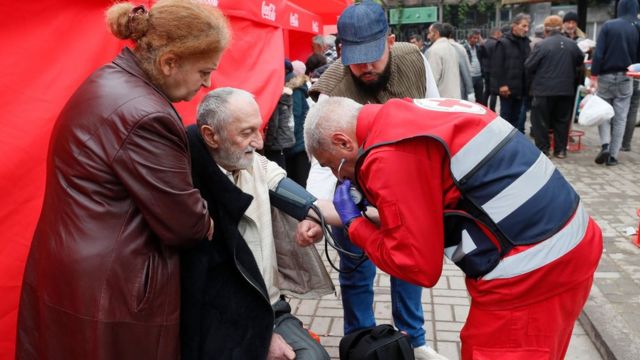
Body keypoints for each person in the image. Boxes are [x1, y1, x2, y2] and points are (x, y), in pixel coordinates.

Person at [302, 96, 603, 360]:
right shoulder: (407, 115)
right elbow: (442, 199)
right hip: (569, 243)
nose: (341, 179)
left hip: (533, 271)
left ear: (344, 142)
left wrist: (355, 224)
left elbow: (418, 266)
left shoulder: (388, 153)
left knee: (486, 349)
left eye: (334, 167)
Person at [16, 1, 226, 358]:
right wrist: (206, 217)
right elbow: (187, 225)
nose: (207, 83)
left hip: (79, 270)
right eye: (203, 71)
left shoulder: (108, 80)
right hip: (115, 288)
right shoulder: (146, 115)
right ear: (169, 62)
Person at [308, 2, 444, 360]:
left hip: (406, 189)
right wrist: (314, 215)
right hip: (353, 193)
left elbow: (435, 117)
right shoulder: (330, 88)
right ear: (340, 51)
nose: (366, 67)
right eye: (356, 58)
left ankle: (413, 339)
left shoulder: (415, 60)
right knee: (355, 272)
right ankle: (361, 344)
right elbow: (322, 161)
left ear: (390, 41)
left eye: (373, 55)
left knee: (409, 268)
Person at [181, 87, 333, 359]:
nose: (260, 142)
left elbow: (309, 205)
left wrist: (321, 219)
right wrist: (261, 337)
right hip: (217, 321)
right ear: (210, 136)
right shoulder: (184, 189)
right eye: (246, 132)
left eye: (259, 129)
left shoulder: (255, 165)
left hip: (268, 309)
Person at [525, 15, 584, 158]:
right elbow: (580, 60)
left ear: (545, 29)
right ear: (561, 27)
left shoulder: (541, 45)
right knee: (562, 121)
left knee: (540, 121)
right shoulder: (571, 44)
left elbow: (528, 65)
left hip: (543, 90)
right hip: (565, 89)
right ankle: (560, 150)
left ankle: (543, 149)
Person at [590, 0, 640, 166]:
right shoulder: (637, 26)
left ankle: (605, 144)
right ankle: (613, 156)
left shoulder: (608, 26)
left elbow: (598, 53)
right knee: (620, 117)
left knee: (603, 112)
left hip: (605, 76)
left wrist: (594, 75)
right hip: (627, 77)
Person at [491, 13, 531, 131]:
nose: (526, 29)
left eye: (527, 26)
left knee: (517, 118)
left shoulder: (526, 42)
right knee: (506, 118)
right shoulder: (503, 43)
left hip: (521, 88)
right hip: (507, 89)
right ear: (514, 26)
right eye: (523, 26)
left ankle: (514, 142)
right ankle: (503, 143)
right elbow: (497, 66)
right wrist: (502, 85)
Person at [285, 61, 312, 186]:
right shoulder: (294, 87)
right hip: (298, 141)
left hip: (297, 143)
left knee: (300, 181)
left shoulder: (293, 89)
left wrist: (288, 140)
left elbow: (295, 115)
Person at [264, 60, 296, 168]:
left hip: (276, 142)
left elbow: (274, 122)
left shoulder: (276, 96)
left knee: (278, 170)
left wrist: (267, 142)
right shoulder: (287, 94)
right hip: (286, 138)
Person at [426, 22, 461, 99]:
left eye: (430, 33)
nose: (428, 36)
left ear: (436, 33)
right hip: (455, 97)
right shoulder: (452, 48)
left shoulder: (434, 50)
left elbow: (432, 79)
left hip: (441, 100)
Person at [442, 23, 474, 101]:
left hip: (444, 93)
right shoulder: (459, 48)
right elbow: (467, 71)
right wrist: (470, 91)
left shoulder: (435, 49)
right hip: (458, 90)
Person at [480, 27, 502, 111]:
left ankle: (484, 107)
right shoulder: (496, 44)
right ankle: (492, 109)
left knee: (487, 90)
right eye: (500, 33)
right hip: (493, 70)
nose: (501, 35)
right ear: (496, 33)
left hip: (485, 69)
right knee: (494, 91)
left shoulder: (485, 43)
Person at [464, 29, 484, 104]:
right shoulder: (464, 48)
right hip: (470, 76)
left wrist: (481, 40)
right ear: (469, 38)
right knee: (470, 98)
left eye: (477, 38)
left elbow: (486, 51)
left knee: (480, 98)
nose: (476, 40)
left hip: (479, 76)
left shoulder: (478, 48)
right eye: (474, 38)